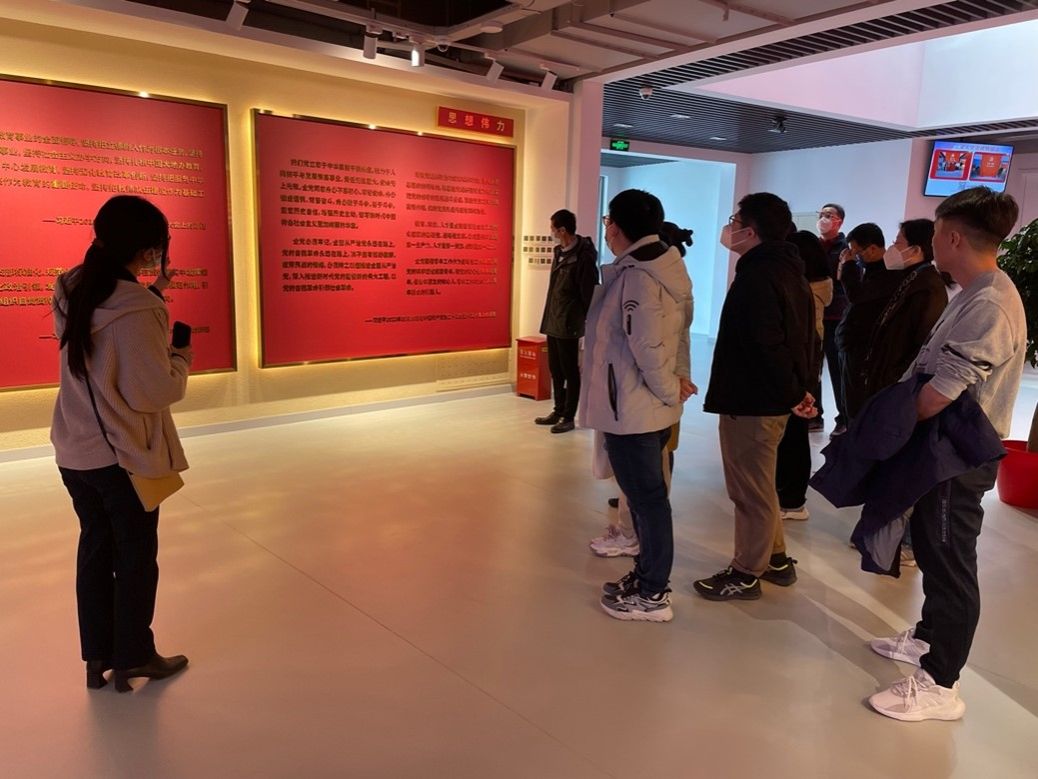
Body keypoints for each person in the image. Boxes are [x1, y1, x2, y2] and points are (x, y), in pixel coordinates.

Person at [868, 187, 1026, 722]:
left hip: (958, 454)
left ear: (953, 237)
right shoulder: (975, 291)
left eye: (935, 231)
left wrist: (888, 429)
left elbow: (941, 391)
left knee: (949, 561)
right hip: (942, 449)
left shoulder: (991, 302)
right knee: (936, 553)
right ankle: (928, 637)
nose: (930, 240)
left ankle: (941, 683)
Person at [51, 195, 192, 693]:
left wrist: (153, 293)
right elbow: (153, 391)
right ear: (150, 249)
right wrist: (181, 357)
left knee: (95, 549)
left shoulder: (71, 286)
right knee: (134, 556)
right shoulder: (141, 309)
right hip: (121, 456)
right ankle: (133, 656)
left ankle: (97, 657)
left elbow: (103, 334)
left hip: (75, 450)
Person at [693, 193, 817, 601]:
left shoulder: (758, 277)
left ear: (751, 231)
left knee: (750, 492)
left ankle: (746, 572)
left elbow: (766, 345)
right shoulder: (788, 269)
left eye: (735, 221)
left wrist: (793, 391)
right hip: (769, 398)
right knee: (760, 485)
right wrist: (799, 389)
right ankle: (775, 559)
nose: (729, 228)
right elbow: (804, 339)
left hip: (752, 401)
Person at [579, 190, 694, 622]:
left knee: (648, 503)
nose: (606, 229)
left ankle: (652, 594)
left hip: (633, 409)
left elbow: (648, 347)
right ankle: (646, 576)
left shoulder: (640, 277)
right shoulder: (663, 266)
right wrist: (675, 384)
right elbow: (678, 336)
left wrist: (668, 390)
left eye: (608, 221)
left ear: (617, 226)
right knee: (648, 499)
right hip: (642, 405)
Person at [775, 229, 832, 521]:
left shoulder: (805, 288)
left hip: (803, 357)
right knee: (793, 433)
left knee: (793, 434)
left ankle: (792, 499)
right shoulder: (816, 284)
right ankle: (790, 497)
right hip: (808, 357)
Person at [535, 209, 599, 434]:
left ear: (562, 230)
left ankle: (569, 416)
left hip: (569, 321)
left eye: (553, 228)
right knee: (555, 368)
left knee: (570, 370)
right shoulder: (558, 252)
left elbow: (588, 292)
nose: (551, 232)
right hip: (553, 318)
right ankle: (558, 410)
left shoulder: (584, 256)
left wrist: (584, 319)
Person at [835, 222, 890, 421]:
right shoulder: (870, 269)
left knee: (857, 403)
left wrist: (849, 266)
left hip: (863, 347)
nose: (854, 257)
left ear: (873, 249)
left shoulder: (887, 273)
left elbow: (856, 296)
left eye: (857, 253)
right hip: (852, 343)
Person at [817, 203, 849, 434]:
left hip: (836, 316)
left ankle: (843, 417)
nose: (824, 218)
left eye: (829, 215)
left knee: (838, 369)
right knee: (812, 368)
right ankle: (813, 414)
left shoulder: (845, 249)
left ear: (839, 221)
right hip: (815, 315)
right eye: (822, 214)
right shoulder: (813, 246)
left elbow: (844, 281)